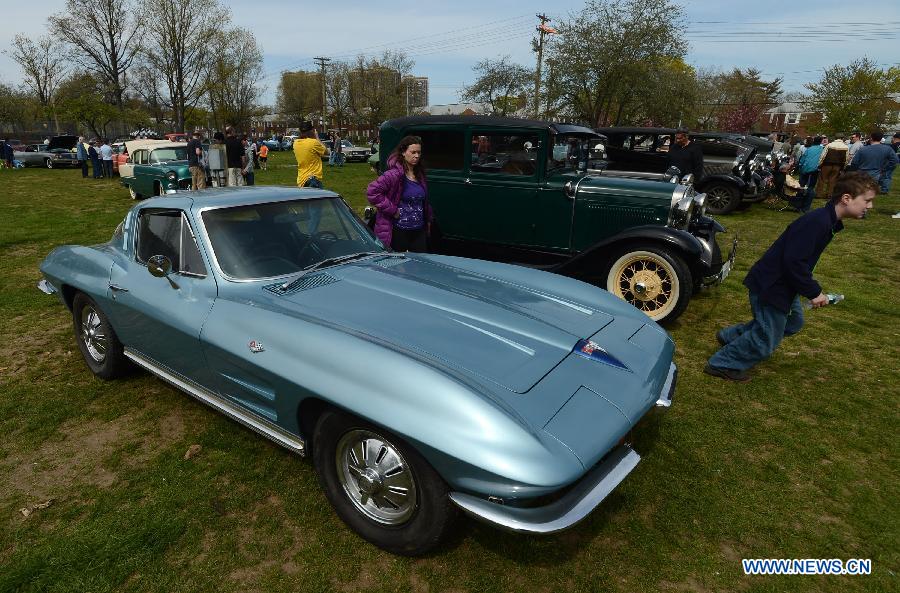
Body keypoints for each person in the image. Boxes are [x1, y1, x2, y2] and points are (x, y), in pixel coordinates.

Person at [705, 171, 878, 382]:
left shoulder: (828, 221)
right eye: (867, 201)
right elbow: (793, 262)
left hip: (785, 284)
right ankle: (723, 364)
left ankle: (731, 337)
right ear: (847, 198)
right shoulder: (818, 222)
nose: (869, 207)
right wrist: (814, 292)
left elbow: (798, 262)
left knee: (793, 322)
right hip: (772, 284)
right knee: (767, 338)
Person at [366, 135, 433, 252]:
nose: (416, 156)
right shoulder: (393, 175)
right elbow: (372, 191)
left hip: (418, 231)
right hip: (398, 231)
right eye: (413, 152)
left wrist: (428, 219)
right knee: (398, 267)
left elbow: (424, 201)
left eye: (419, 152)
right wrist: (393, 210)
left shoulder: (420, 174)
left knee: (420, 265)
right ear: (403, 152)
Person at [293, 121, 326, 188]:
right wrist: (317, 137)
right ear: (312, 131)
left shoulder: (295, 143)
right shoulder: (314, 142)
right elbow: (326, 151)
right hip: (313, 178)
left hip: (301, 179)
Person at [795, 136, 824, 212]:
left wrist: (800, 166)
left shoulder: (809, 149)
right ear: (820, 141)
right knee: (810, 188)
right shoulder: (822, 149)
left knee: (801, 187)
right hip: (814, 170)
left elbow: (802, 159)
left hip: (805, 169)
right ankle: (806, 207)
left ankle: (798, 206)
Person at [817, 135, 849, 200]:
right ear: (842, 138)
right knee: (832, 180)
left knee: (822, 179)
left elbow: (823, 156)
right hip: (837, 166)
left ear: (835, 138)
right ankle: (829, 195)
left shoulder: (829, 145)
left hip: (826, 165)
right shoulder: (846, 147)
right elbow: (846, 159)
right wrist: (843, 167)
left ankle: (819, 194)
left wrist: (819, 164)